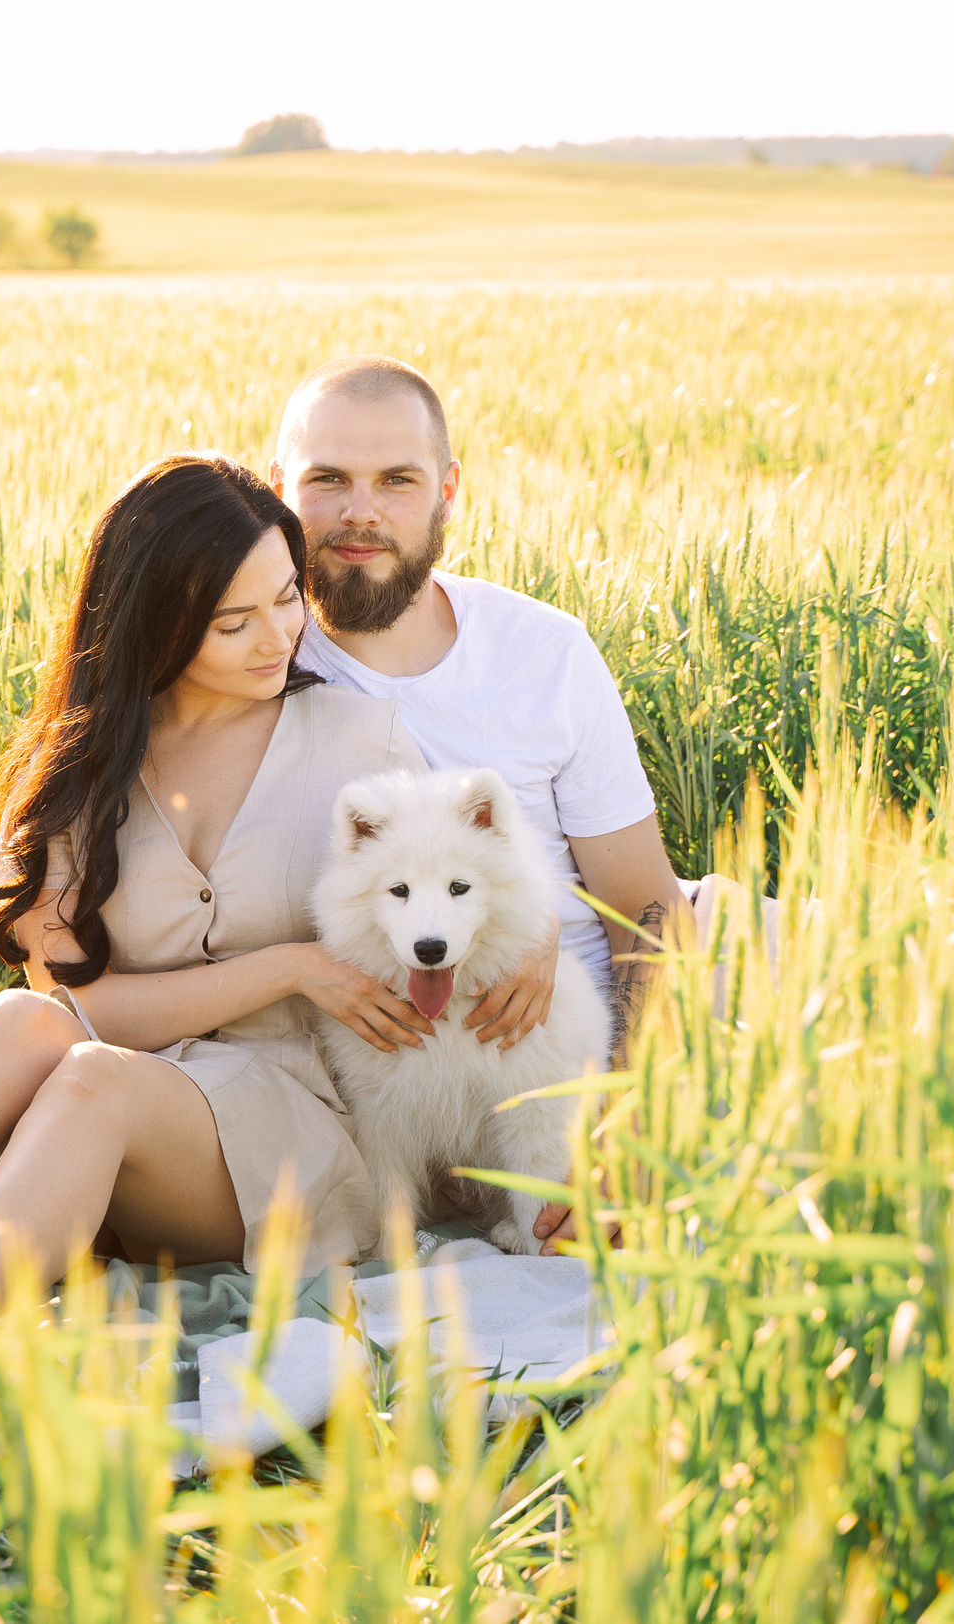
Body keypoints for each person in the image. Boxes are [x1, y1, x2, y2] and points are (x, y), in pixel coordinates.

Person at [0, 454, 432, 1322]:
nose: (278, 637)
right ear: (155, 625)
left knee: (96, 1076)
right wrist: (290, 966)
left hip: (303, 1140)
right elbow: (84, 1008)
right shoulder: (80, 772)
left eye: (289, 597)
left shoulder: (364, 741)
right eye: (233, 622)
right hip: (115, 1125)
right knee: (27, 1019)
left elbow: (464, 908)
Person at [267, 355, 697, 1247]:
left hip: (566, 1069)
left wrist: (629, 1120)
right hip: (394, 1093)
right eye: (327, 480)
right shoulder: (253, 666)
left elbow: (645, 906)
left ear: (449, 490)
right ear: (279, 489)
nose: (361, 511)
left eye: (397, 480)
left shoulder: (546, 652)